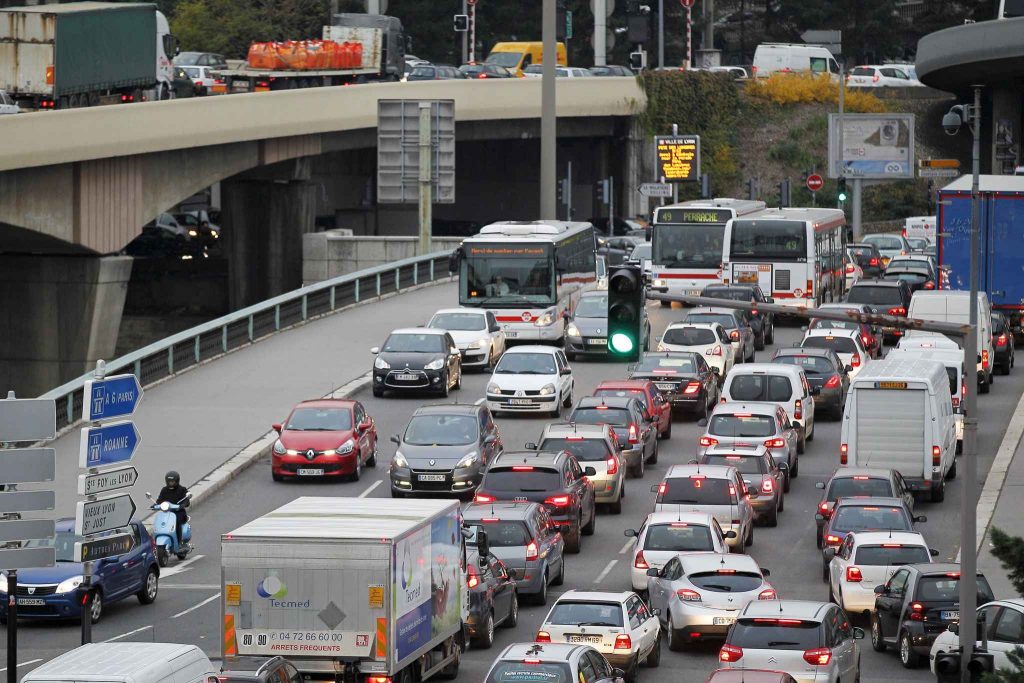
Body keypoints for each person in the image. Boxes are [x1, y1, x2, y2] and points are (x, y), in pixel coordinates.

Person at [156, 471, 190, 547]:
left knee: (176, 522)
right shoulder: (164, 490)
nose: (171, 483)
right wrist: (155, 505)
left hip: (179, 512)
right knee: (160, 521)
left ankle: (179, 542)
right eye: (169, 482)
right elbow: (159, 500)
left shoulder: (182, 489)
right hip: (167, 512)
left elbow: (186, 500)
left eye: (173, 481)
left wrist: (183, 504)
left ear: (177, 481)